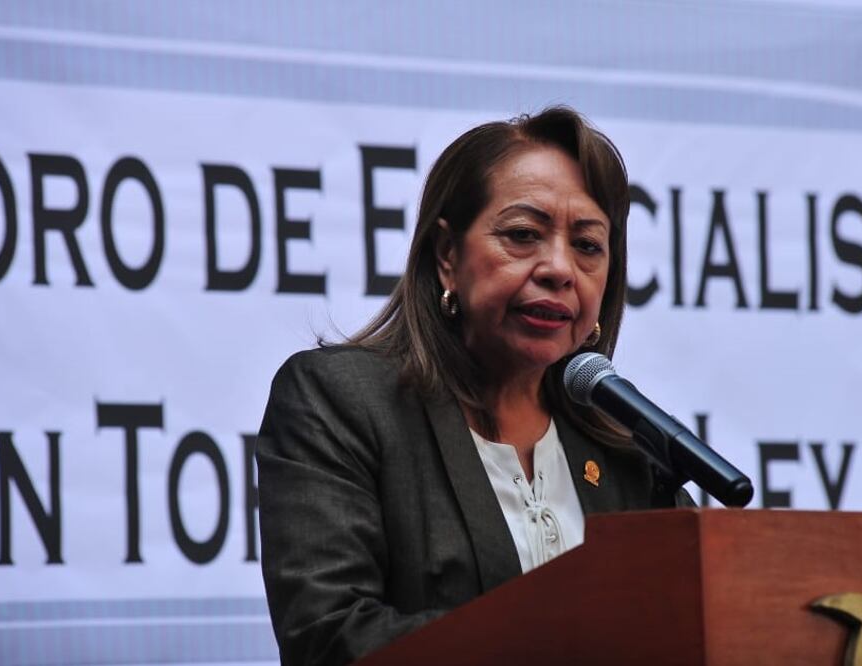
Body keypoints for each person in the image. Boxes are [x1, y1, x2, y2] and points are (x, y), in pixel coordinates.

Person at [256, 106, 694, 666]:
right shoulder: (343, 400)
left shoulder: (629, 452)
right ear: (447, 257)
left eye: (587, 245)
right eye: (522, 235)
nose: (560, 268)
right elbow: (330, 636)